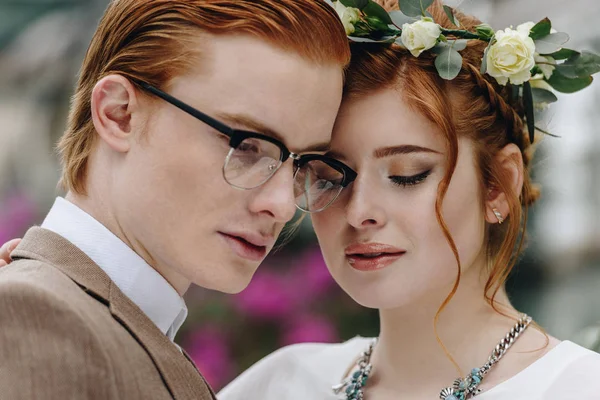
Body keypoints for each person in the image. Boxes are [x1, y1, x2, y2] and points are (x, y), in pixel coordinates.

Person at [216, 1, 600, 399]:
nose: (359, 211)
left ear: (498, 185)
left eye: (407, 176)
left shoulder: (579, 388)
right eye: (332, 177)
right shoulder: (281, 385)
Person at [0, 0, 353, 399]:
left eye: (305, 163)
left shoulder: (117, 323)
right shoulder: (32, 317)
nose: (283, 206)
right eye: (247, 146)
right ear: (119, 114)